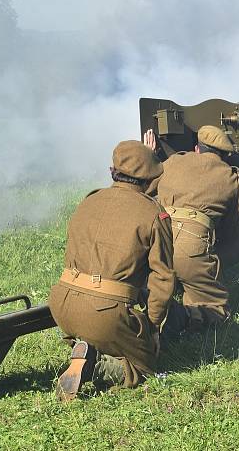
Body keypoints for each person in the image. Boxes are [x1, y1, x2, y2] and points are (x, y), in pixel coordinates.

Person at [50, 140, 175, 401]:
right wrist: (151, 328)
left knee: (103, 326)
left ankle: (84, 347)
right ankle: (100, 365)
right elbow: (163, 278)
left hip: (61, 305)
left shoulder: (89, 201)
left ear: (113, 171)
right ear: (148, 179)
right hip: (105, 314)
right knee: (145, 366)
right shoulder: (154, 214)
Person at [144, 125, 239, 334]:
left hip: (155, 241)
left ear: (197, 148)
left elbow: (144, 189)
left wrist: (149, 156)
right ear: (224, 156)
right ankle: (181, 317)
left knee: (148, 285)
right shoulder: (231, 178)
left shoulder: (173, 162)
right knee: (216, 310)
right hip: (192, 248)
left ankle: (143, 308)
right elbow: (234, 227)